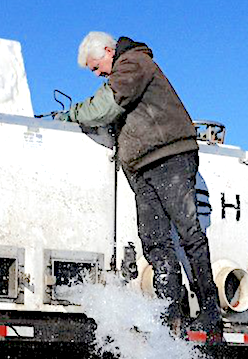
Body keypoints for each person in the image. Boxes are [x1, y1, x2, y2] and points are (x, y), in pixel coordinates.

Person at [54, 31, 223, 342]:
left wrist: (70, 114)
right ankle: (170, 313)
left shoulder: (133, 63)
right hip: (143, 166)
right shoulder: (125, 69)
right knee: (155, 240)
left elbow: (105, 106)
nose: (98, 74)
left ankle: (210, 309)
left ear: (108, 50)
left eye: (96, 66)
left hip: (168, 156)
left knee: (189, 234)